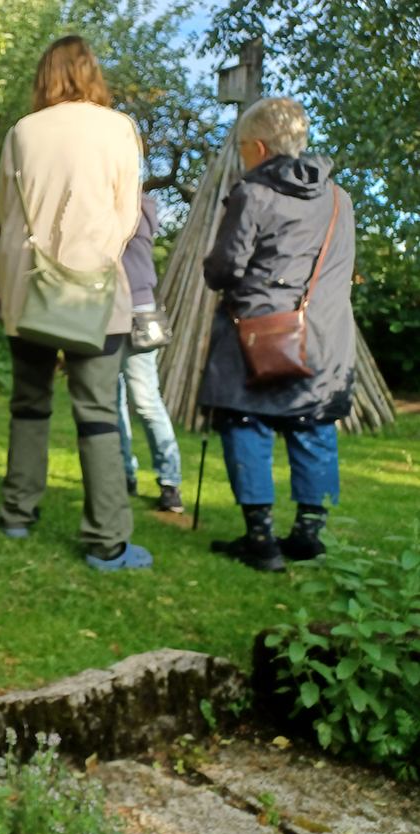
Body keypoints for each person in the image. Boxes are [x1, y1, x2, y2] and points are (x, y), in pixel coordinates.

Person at [0, 35, 151, 570]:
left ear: (46, 75)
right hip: (95, 292)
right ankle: (106, 541)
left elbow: (7, 212)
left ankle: (16, 513)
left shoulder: (22, 132)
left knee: (29, 404)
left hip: (28, 290)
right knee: (98, 412)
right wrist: (91, 255)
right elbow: (127, 216)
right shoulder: (118, 127)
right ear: (91, 72)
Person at [201, 97, 356, 572]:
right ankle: (308, 535)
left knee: (245, 421)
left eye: (244, 147)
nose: (243, 156)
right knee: (313, 423)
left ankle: (261, 541)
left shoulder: (252, 194)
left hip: (259, 335)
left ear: (261, 147)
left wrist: (215, 266)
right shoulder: (339, 199)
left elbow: (225, 269)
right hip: (325, 336)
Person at [117, 192, 184, 512]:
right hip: (104, 306)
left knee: (145, 401)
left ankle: (170, 482)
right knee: (110, 401)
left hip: (136, 308)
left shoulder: (137, 203)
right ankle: (122, 475)